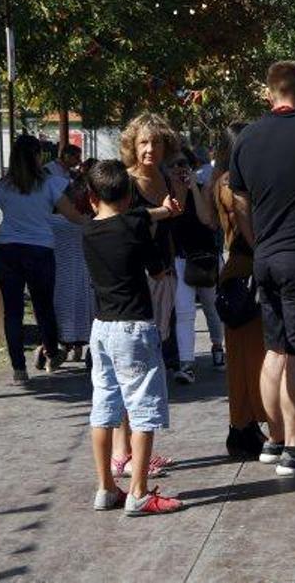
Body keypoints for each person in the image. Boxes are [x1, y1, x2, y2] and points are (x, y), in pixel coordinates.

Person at [229, 61, 295, 474]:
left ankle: (273, 440)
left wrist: (257, 241)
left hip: (265, 255)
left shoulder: (246, 137)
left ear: (269, 91)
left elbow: (239, 202)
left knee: (274, 350)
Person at [82, 160, 185, 515]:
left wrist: (161, 211)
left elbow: (137, 216)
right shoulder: (134, 227)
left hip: (101, 329)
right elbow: (156, 270)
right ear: (129, 196)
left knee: (103, 408)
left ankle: (105, 488)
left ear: (91, 198)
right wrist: (162, 216)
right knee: (142, 411)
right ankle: (138, 493)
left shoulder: (87, 230)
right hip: (134, 329)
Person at [0, 134, 87, 381]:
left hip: (7, 251)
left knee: (13, 312)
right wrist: (98, 221)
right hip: (40, 250)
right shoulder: (50, 184)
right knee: (43, 307)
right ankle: (52, 353)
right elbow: (73, 215)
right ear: (37, 156)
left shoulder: (3, 186)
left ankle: (19, 369)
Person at [118, 113, 182, 479]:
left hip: (165, 274)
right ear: (132, 145)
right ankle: (123, 454)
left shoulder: (165, 177)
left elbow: (177, 219)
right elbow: (126, 226)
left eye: (156, 142)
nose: (149, 149)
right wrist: (161, 211)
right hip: (137, 280)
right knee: (133, 367)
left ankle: (136, 451)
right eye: (143, 142)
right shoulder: (125, 182)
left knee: (150, 361)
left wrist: (183, 189)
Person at [212, 123, 271, 460]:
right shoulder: (231, 184)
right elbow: (246, 221)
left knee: (244, 357)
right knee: (251, 357)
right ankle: (244, 425)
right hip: (244, 270)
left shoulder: (220, 181)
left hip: (236, 270)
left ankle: (245, 425)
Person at [166, 147, 221, 384]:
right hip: (179, 259)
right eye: (173, 165)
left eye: (183, 164)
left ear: (192, 167)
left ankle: (217, 345)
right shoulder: (166, 194)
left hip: (204, 258)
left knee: (211, 306)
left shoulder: (201, 188)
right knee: (184, 312)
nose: (178, 169)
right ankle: (186, 364)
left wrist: (193, 189)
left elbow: (206, 219)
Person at [52, 157, 97, 357]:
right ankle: (80, 347)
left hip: (61, 273)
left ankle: (65, 345)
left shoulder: (52, 222)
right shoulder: (89, 222)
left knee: (64, 308)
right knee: (83, 309)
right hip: (84, 272)